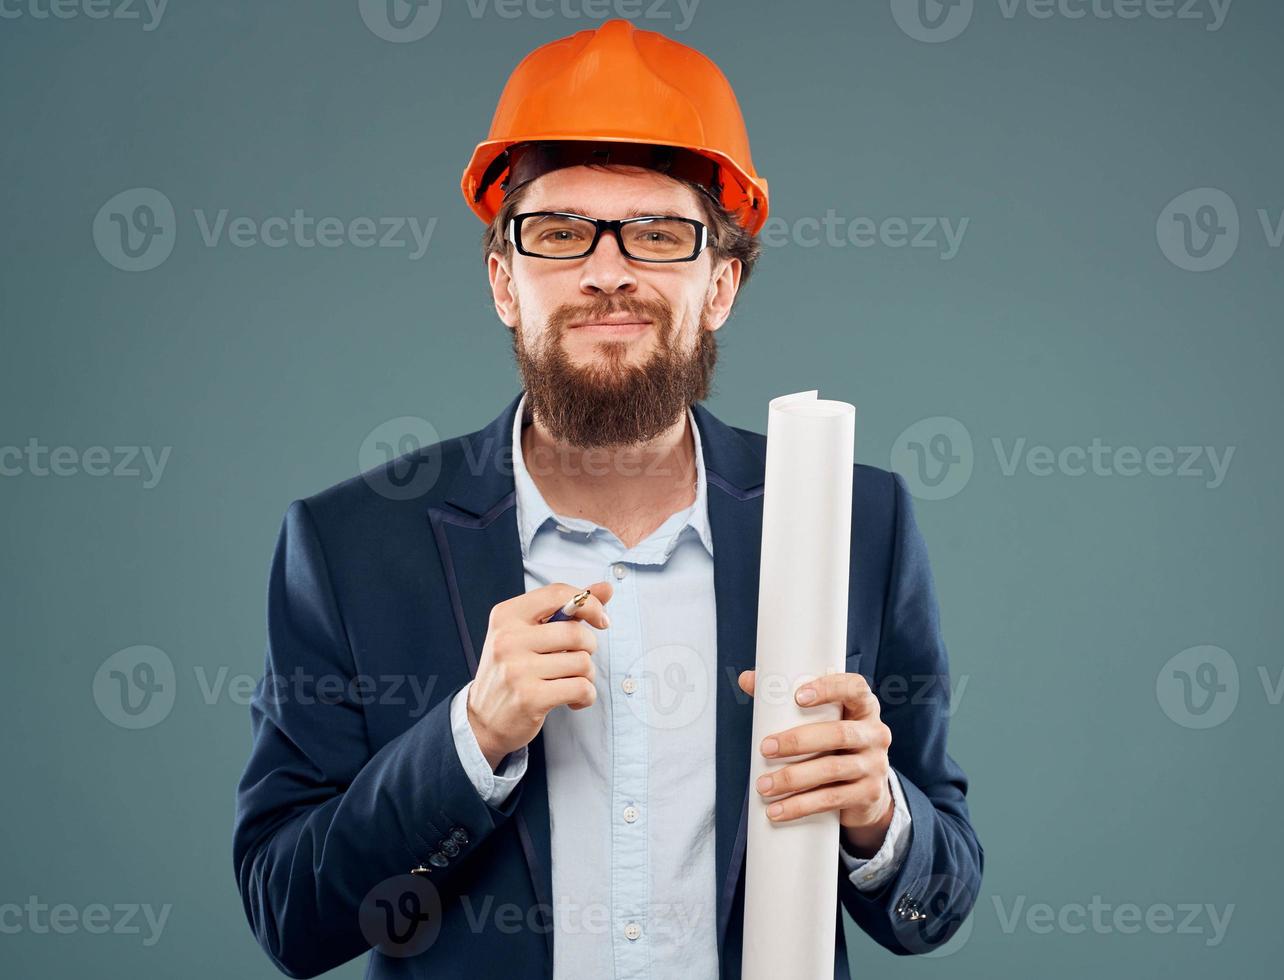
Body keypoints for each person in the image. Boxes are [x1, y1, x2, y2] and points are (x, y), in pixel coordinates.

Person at [232, 19, 981, 979]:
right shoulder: (349, 547)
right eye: (559, 232)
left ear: (722, 286)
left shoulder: (850, 520)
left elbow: (937, 901)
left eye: (661, 234)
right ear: (505, 282)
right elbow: (290, 916)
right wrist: (472, 735)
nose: (608, 270)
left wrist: (878, 812)